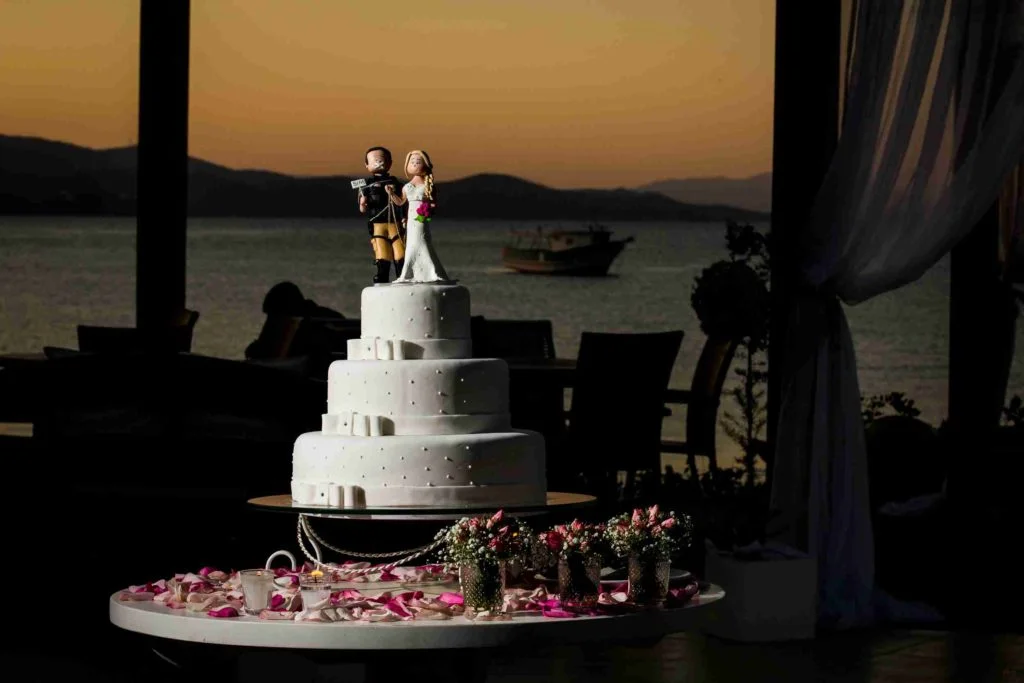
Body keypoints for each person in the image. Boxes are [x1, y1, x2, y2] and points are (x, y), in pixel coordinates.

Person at [386, 150, 451, 283]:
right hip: (411, 219)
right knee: (411, 244)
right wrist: (391, 194)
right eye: (412, 162)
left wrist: (429, 209)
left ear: (426, 165)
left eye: (418, 162)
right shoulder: (406, 186)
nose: (415, 164)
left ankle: (430, 271)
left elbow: (433, 202)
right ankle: (410, 271)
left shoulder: (428, 185)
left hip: (421, 217)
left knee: (422, 240)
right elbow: (401, 202)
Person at [358, 146, 405, 283]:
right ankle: (382, 274)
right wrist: (362, 203)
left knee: (399, 248)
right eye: (374, 160)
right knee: (381, 249)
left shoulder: (396, 183)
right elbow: (362, 209)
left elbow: (402, 202)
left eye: (382, 160)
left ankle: (401, 274)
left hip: (395, 221)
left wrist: (403, 217)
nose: (378, 162)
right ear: (366, 165)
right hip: (377, 222)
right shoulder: (366, 186)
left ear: (390, 162)